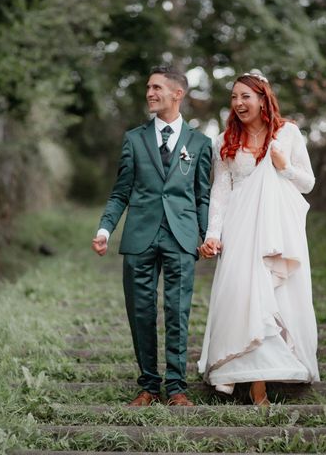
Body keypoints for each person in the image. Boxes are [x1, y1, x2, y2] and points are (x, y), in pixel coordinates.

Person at [92, 65, 212, 407]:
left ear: (178, 93)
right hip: (139, 238)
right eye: (148, 87)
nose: (149, 93)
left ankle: (176, 388)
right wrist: (104, 229)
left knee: (178, 311)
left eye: (157, 87)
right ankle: (148, 386)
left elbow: (202, 196)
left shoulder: (200, 144)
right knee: (141, 312)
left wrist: (206, 235)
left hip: (181, 237)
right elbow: (120, 193)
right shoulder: (134, 139)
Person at [197, 72, 319, 406]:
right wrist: (212, 235)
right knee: (241, 298)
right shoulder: (224, 139)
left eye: (245, 96)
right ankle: (237, 371)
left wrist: (284, 166)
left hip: (277, 231)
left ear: (263, 98)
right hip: (239, 230)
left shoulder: (288, 133)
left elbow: (307, 183)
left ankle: (260, 385)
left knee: (272, 301)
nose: (238, 103)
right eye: (234, 97)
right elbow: (220, 193)